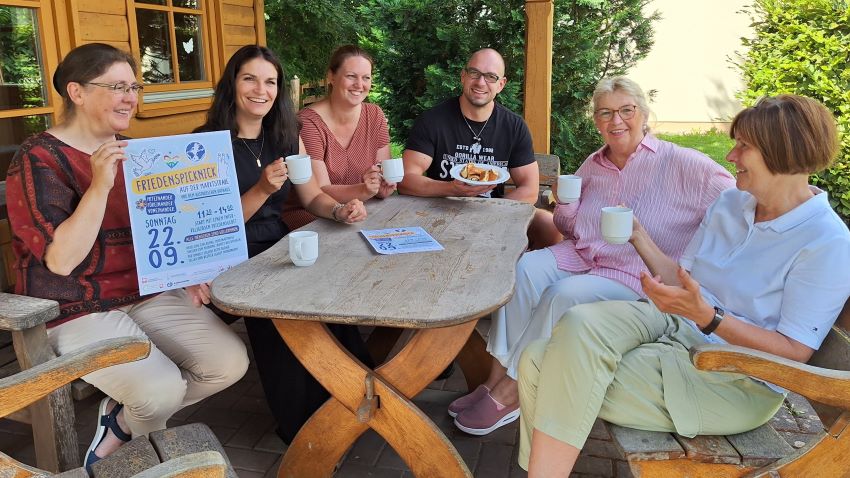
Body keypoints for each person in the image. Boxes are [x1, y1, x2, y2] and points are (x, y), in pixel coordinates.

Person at [518, 94, 850, 476]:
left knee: (541, 362)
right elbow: (683, 279)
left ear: (782, 153)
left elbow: (794, 353)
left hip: (735, 379)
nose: (731, 157)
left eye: (744, 146)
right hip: (679, 329)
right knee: (576, 323)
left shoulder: (825, 242)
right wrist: (639, 236)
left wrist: (710, 318)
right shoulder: (731, 204)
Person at [4, 43, 249, 470]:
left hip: (144, 291)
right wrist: (99, 184)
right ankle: (131, 454)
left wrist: (183, 273)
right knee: (160, 391)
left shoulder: (137, 153)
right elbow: (61, 261)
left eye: (133, 86)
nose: (131, 98)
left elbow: (158, 230)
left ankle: (120, 423)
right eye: (117, 86)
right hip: (74, 306)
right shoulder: (38, 157)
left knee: (228, 362)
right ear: (76, 92)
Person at [449, 76, 735, 435]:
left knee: (561, 296)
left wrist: (705, 261)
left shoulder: (685, 164)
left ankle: (512, 393)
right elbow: (571, 228)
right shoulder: (593, 164)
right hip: (583, 257)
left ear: (644, 114)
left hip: (633, 275)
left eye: (625, 111)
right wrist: (565, 205)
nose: (616, 121)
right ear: (596, 121)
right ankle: (493, 380)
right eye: (605, 113)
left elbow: (738, 204)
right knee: (523, 270)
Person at [192, 44, 371, 444]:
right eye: (250, 79)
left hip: (275, 247)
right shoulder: (204, 144)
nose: (261, 90)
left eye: (270, 81)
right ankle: (303, 430)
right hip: (227, 254)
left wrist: (338, 211)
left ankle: (354, 399)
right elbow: (207, 227)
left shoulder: (286, 137)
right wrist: (259, 189)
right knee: (280, 323)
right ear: (232, 84)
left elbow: (312, 197)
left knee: (330, 304)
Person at [398, 48, 562, 250]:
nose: (480, 82)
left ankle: (519, 276)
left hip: (495, 212)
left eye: (491, 77)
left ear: (501, 84)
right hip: (439, 211)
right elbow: (406, 180)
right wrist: (451, 189)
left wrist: (490, 212)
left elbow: (529, 189)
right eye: (474, 73)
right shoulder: (433, 121)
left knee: (549, 225)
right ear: (463, 76)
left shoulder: (513, 126)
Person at [282, 44, 393, 231]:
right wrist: (364, 190)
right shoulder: (308, 123)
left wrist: (382, 187)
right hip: (312, 216)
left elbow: (382, 176)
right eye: (351, 76)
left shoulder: (375, 115)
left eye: (366, 77)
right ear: (331, 76)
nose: (359, 85)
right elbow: (320, 190)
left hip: (360, 210)